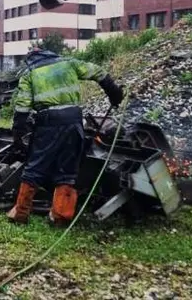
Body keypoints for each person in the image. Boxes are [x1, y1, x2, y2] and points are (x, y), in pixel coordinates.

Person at [8, 48, 124, 226]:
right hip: (74, 122)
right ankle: (60, 217)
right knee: (68, 169)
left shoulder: (30, 73)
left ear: (30, 60)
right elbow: (98, 72)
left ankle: (21, 214)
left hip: (48, 124)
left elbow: (23, 106)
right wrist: (114, 93)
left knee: (35, 167)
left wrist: (17, 133)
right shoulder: (69, 63)